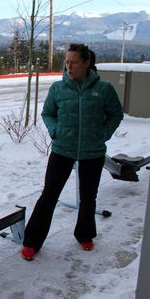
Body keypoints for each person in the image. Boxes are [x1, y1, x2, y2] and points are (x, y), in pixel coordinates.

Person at [20, 44, 123, 261]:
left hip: (92, 151)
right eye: (67, 61)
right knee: (49, 195)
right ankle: (32, 241)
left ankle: (84, 234)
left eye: (74, 61)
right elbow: (47, 113)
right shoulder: (58, 88)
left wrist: (103, 133)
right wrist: (55, 130)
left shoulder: (103, 89)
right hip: (62, 150)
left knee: (88, 197)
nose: (69, 66)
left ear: (87, 63)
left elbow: (115, 114)